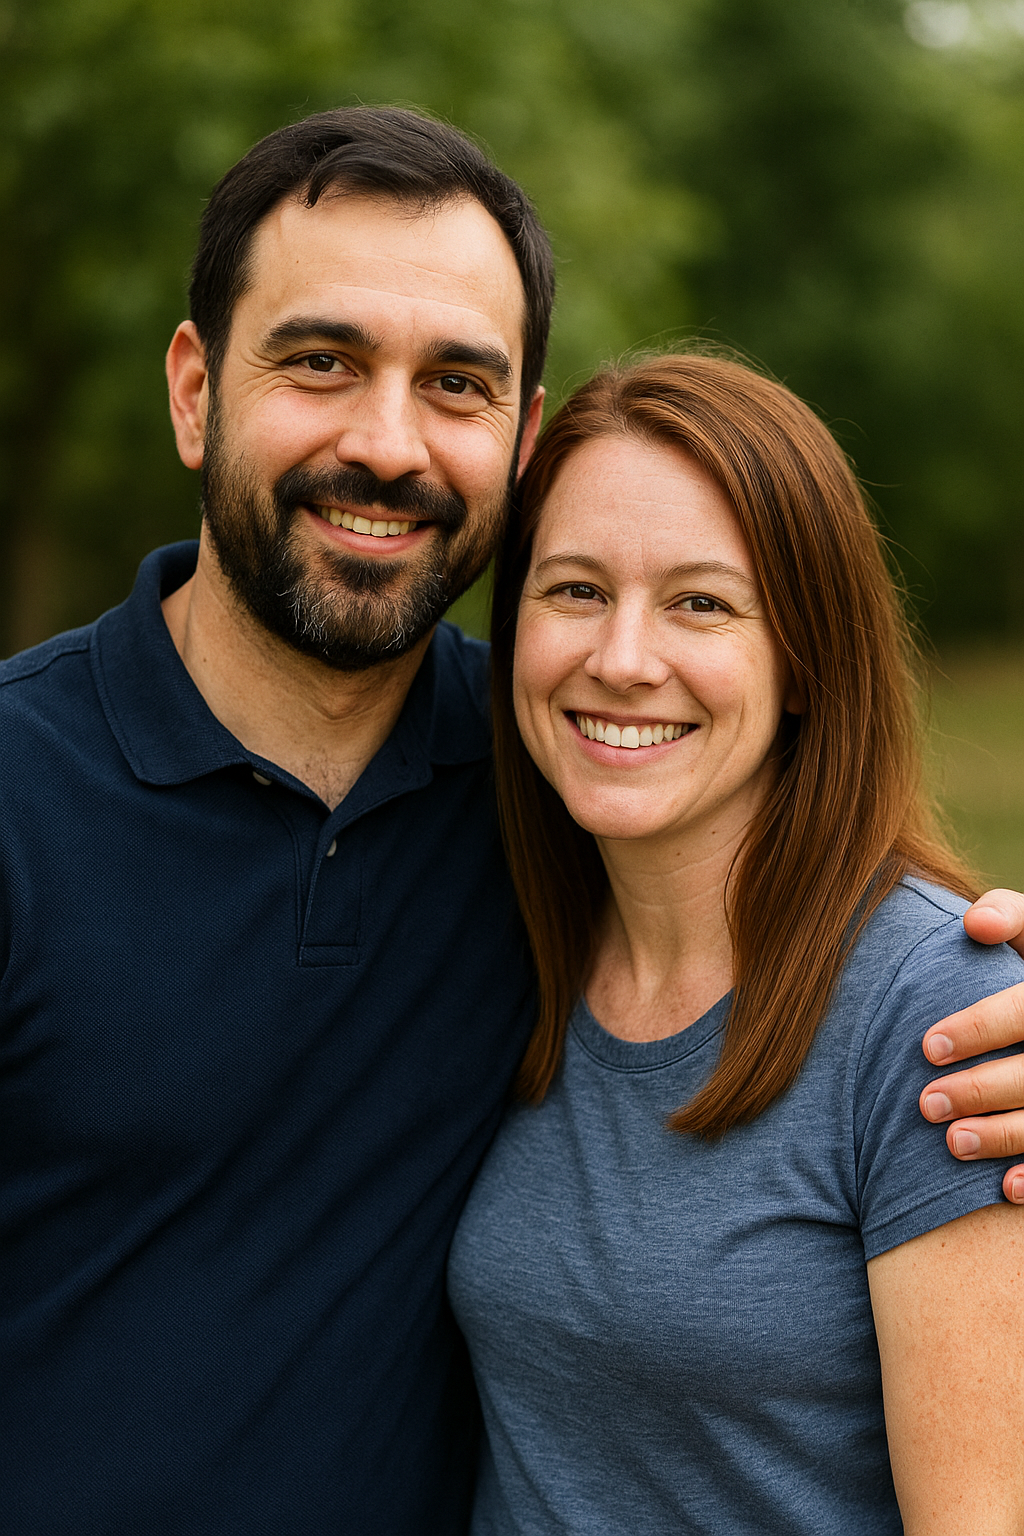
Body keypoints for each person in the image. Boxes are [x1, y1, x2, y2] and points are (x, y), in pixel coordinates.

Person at [0, 105, 1022, 1534]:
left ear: (522, 439)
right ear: (193, 391)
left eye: (459, 384)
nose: (387, 442)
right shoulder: (23, 790)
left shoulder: (563, 791)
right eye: (320, 361)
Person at [448, 353, 1024, 1534]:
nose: (620, 658)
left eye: (700, 602)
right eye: (573, 590)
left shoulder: (939, 1011)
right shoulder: (491, 933)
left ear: (804, 656)